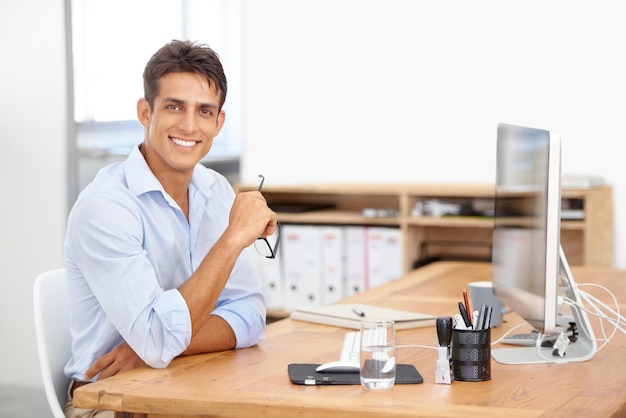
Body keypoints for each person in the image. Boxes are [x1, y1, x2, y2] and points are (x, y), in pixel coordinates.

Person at [63, 40, 275, 417]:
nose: (189, 125)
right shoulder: (106, 206)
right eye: (174, 106)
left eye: (204, 111)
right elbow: (158, 339)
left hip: (187, 382)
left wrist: (151, 347)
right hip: (112, 401)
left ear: (218, 123)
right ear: (146, 112)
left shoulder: (216, 192)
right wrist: (232, 240)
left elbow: (249, 316)